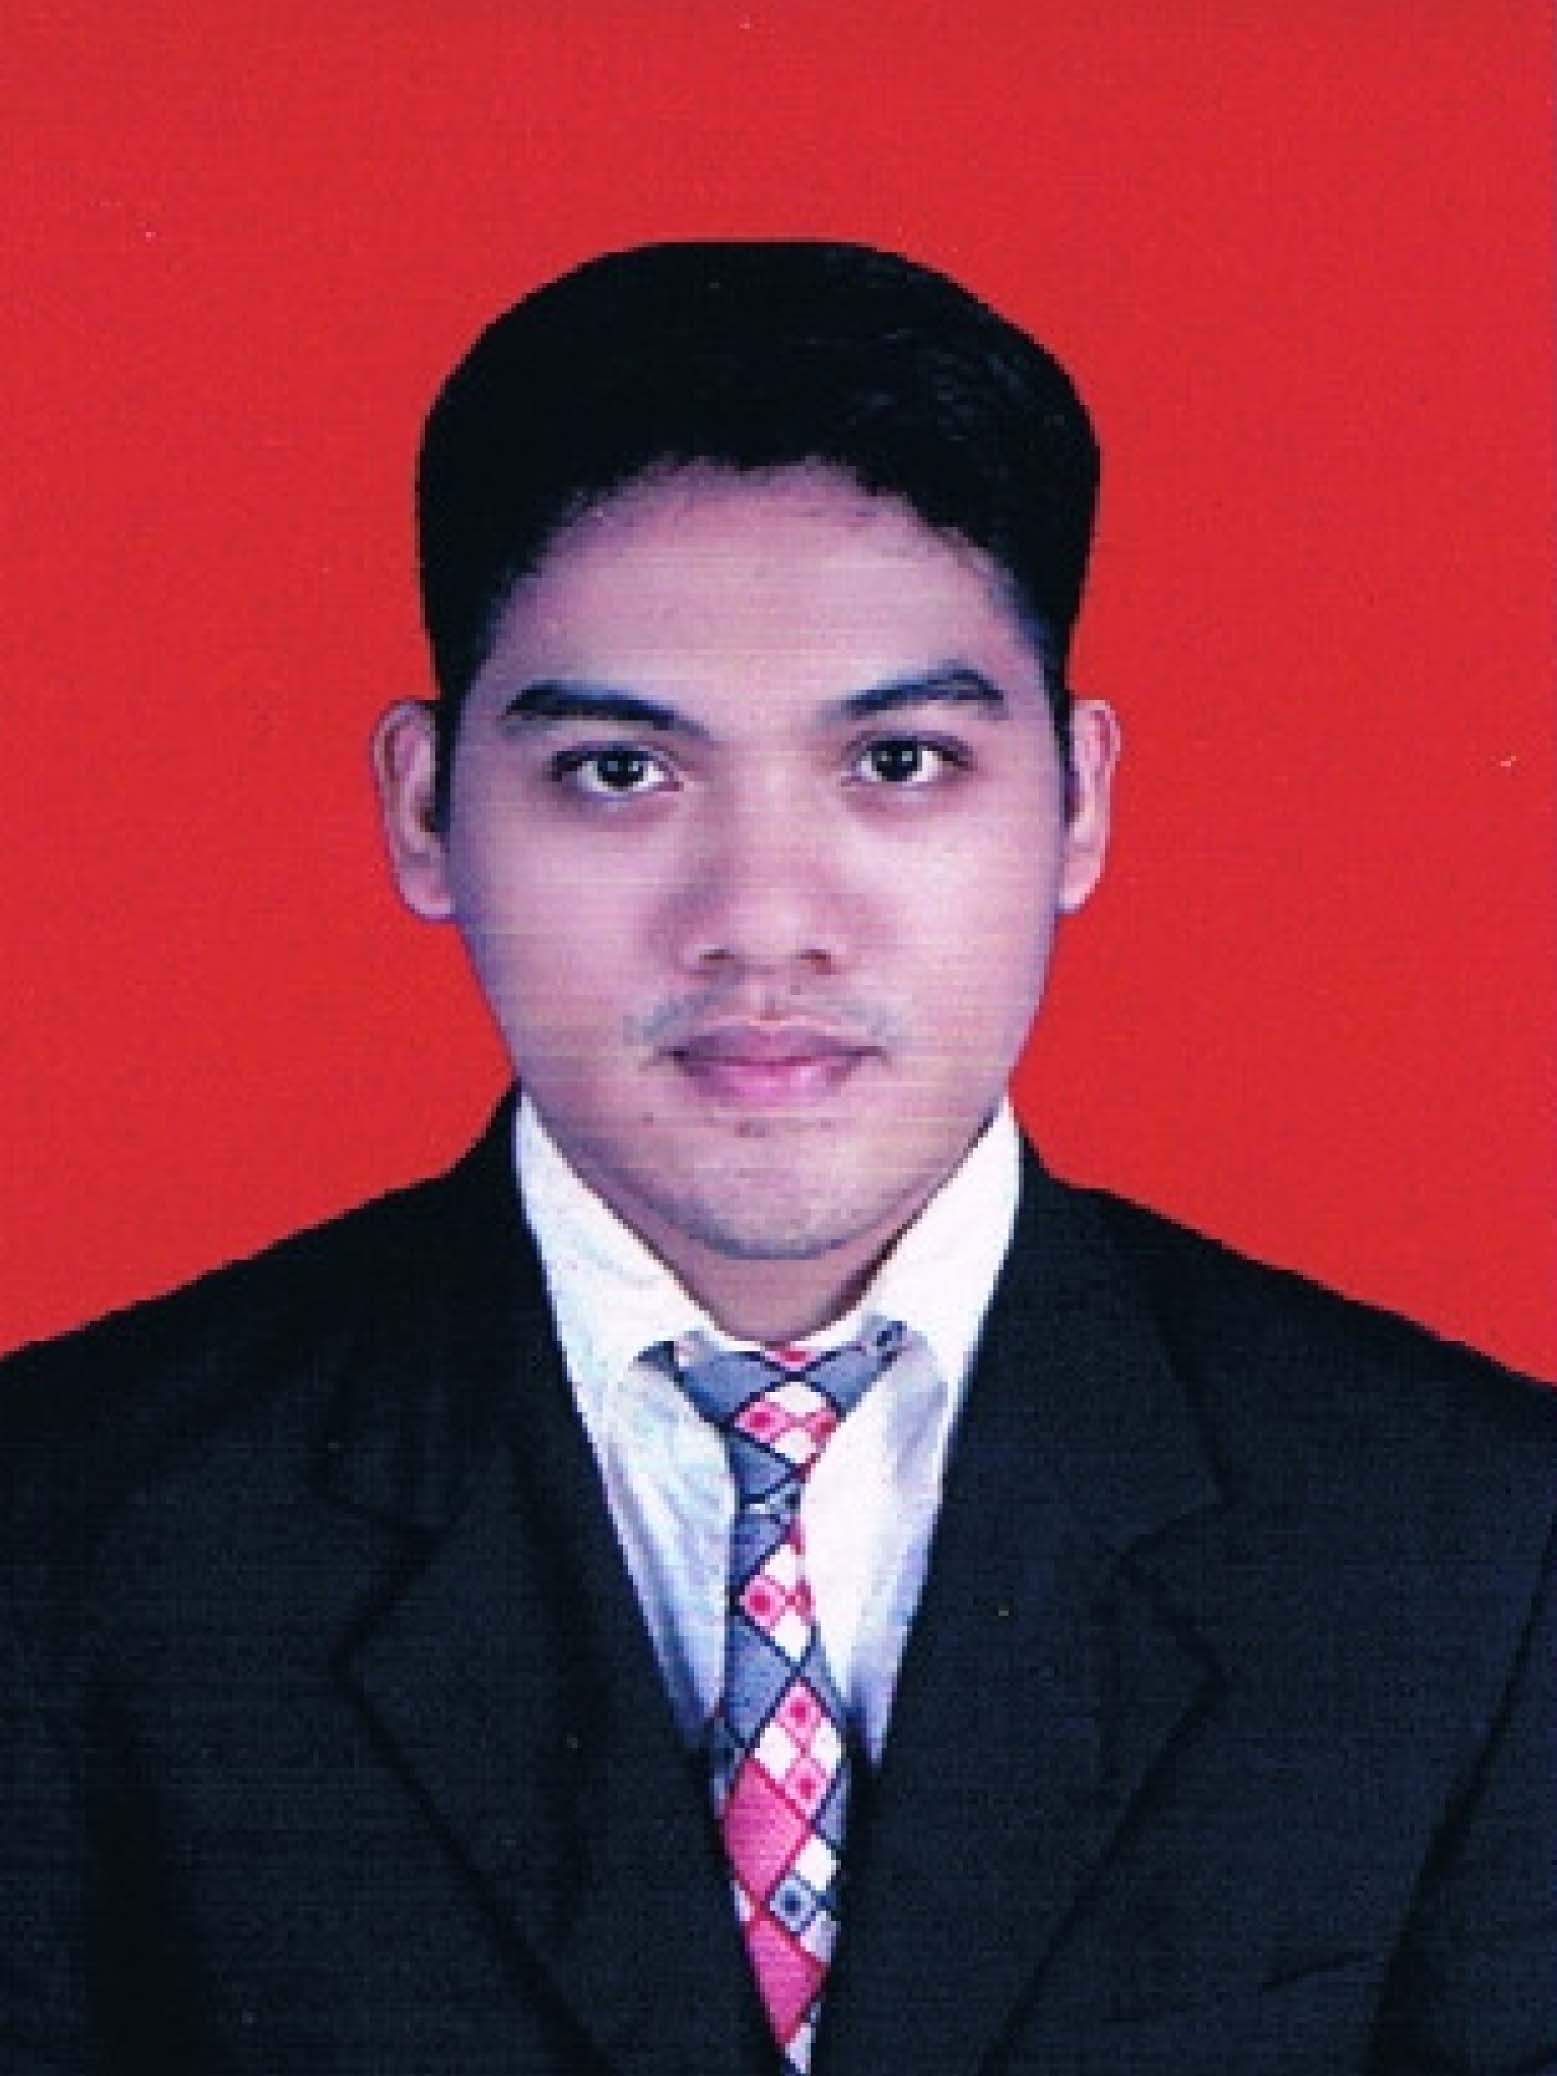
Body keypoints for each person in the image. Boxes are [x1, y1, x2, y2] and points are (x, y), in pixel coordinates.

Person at [1, 242, 1551, 2076]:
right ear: (424, 809)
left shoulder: (1470, 1547)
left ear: (1080, 798)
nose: (759, 921)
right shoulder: (70, 1536)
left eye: (896, 762)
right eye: (618, 771)